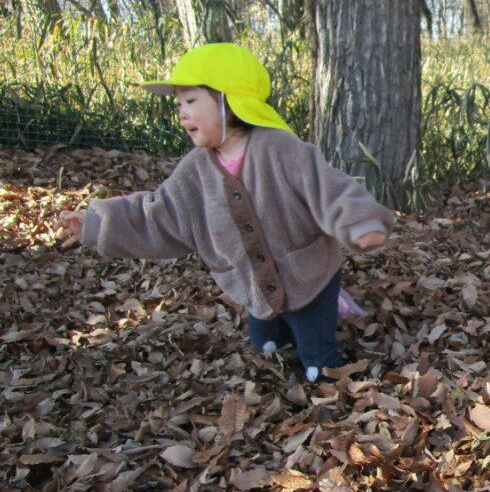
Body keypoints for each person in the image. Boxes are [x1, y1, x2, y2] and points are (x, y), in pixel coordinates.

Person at [59, 43, 394, 382]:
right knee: (266, 344)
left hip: (309, 273)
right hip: (255, 285)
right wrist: (97, 223)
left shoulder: (280, 150)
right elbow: (159, 213)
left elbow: (327, 186)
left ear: (228, 101)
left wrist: (360, 221)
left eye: (191, 101)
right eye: (179, 104)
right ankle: (286, 332)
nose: (182, 112)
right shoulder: (194, 171)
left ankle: (323, 333)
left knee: (317, 365)